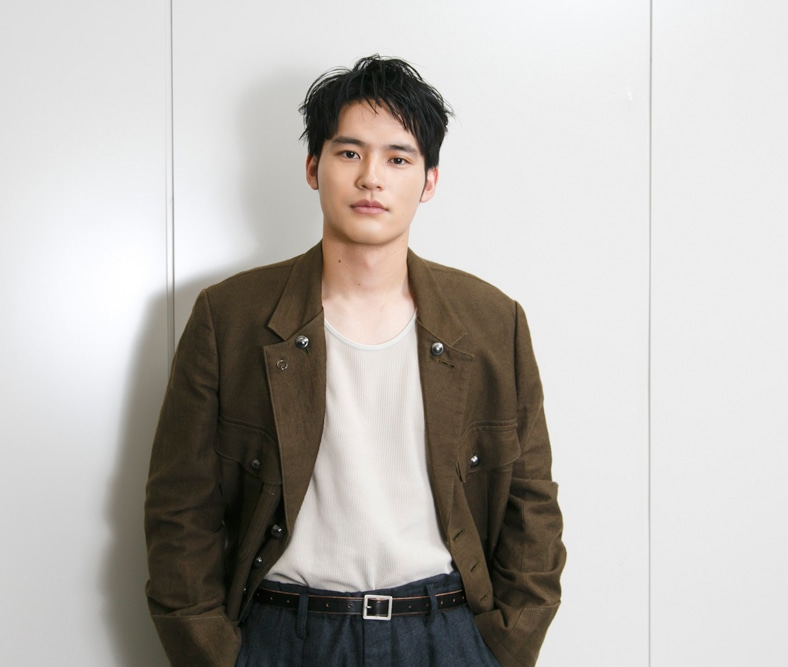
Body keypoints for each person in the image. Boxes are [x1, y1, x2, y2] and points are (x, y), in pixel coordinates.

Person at [144, 55, 565, 667]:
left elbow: (532, 503)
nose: (372, 178)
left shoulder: (492, 321)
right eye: (349, 153)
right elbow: (180, 508)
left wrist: (503, 647)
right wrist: (214, 654)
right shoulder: (229, 316)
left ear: (429, 181)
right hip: (283, 635)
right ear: (313, 168)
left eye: (398, 158)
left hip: (446, 633)